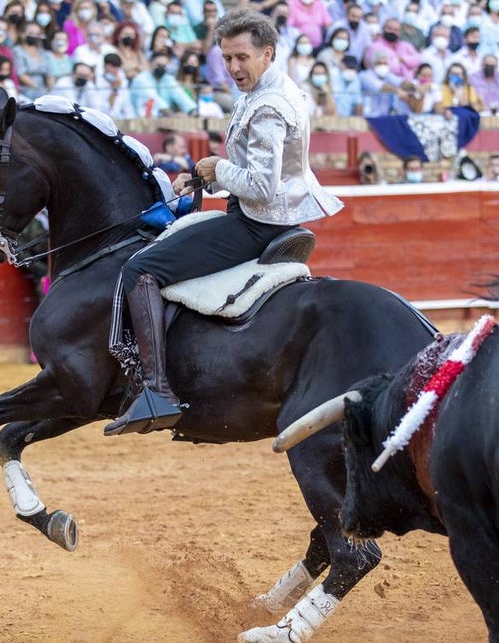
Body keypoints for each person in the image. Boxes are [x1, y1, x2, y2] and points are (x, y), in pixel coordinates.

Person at [103, 8, 343, 435]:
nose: (233, 67)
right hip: (271, 216)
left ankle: (157, 391)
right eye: (227, 58)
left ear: (267, 53)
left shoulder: (268, 106)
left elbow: (262, 187)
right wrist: (203, 176)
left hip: (257, 223)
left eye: (242, 58)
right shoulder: (276, 88)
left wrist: (216, 169)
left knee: (141, 267)